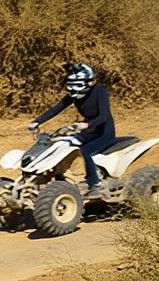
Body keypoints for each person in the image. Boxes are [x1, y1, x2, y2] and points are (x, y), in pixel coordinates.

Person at [27, 62, 116, 199]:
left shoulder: (100, 91)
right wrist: (37, 121)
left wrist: (87, 125)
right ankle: (61, 181)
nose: (73, 91)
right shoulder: (75, 95)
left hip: (104, 132)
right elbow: (57, 108)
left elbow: (104, 116)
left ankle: (95, 184)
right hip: (88, 131)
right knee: (64, 145)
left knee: (85, 151)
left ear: (90, 82)